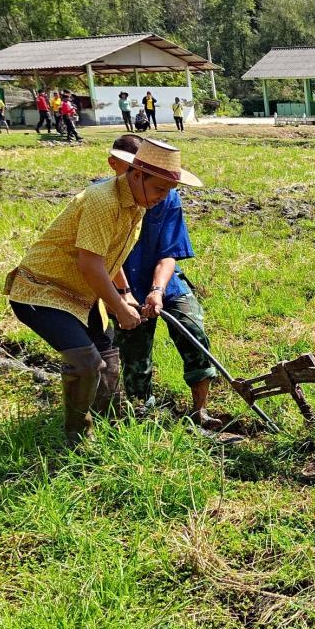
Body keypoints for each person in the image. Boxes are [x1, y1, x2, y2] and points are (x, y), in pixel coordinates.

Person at [5, 137, 201, 442]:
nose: (163, 197)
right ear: (137, 175)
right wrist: (120, 309)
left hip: (83, 295)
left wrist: (124, 294)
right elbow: (90, 263)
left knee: (109, 362)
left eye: (168, 191)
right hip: (44, 290)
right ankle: (79, 439)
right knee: (87, 364)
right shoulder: (103, 201)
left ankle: (110, 428)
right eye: (159, 189)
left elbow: (112, 255)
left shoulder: (136, 204)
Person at [107, 135, 217, 426]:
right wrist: (124, 294)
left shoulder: (167, 198)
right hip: (121, 283)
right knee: (134, 350)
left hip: (164, 280)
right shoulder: (104, 199)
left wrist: (157, 290)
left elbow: (169, 253)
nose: (162, 193)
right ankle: (142, 411)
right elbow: (106, 257)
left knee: (193, 330)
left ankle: (201, 410)